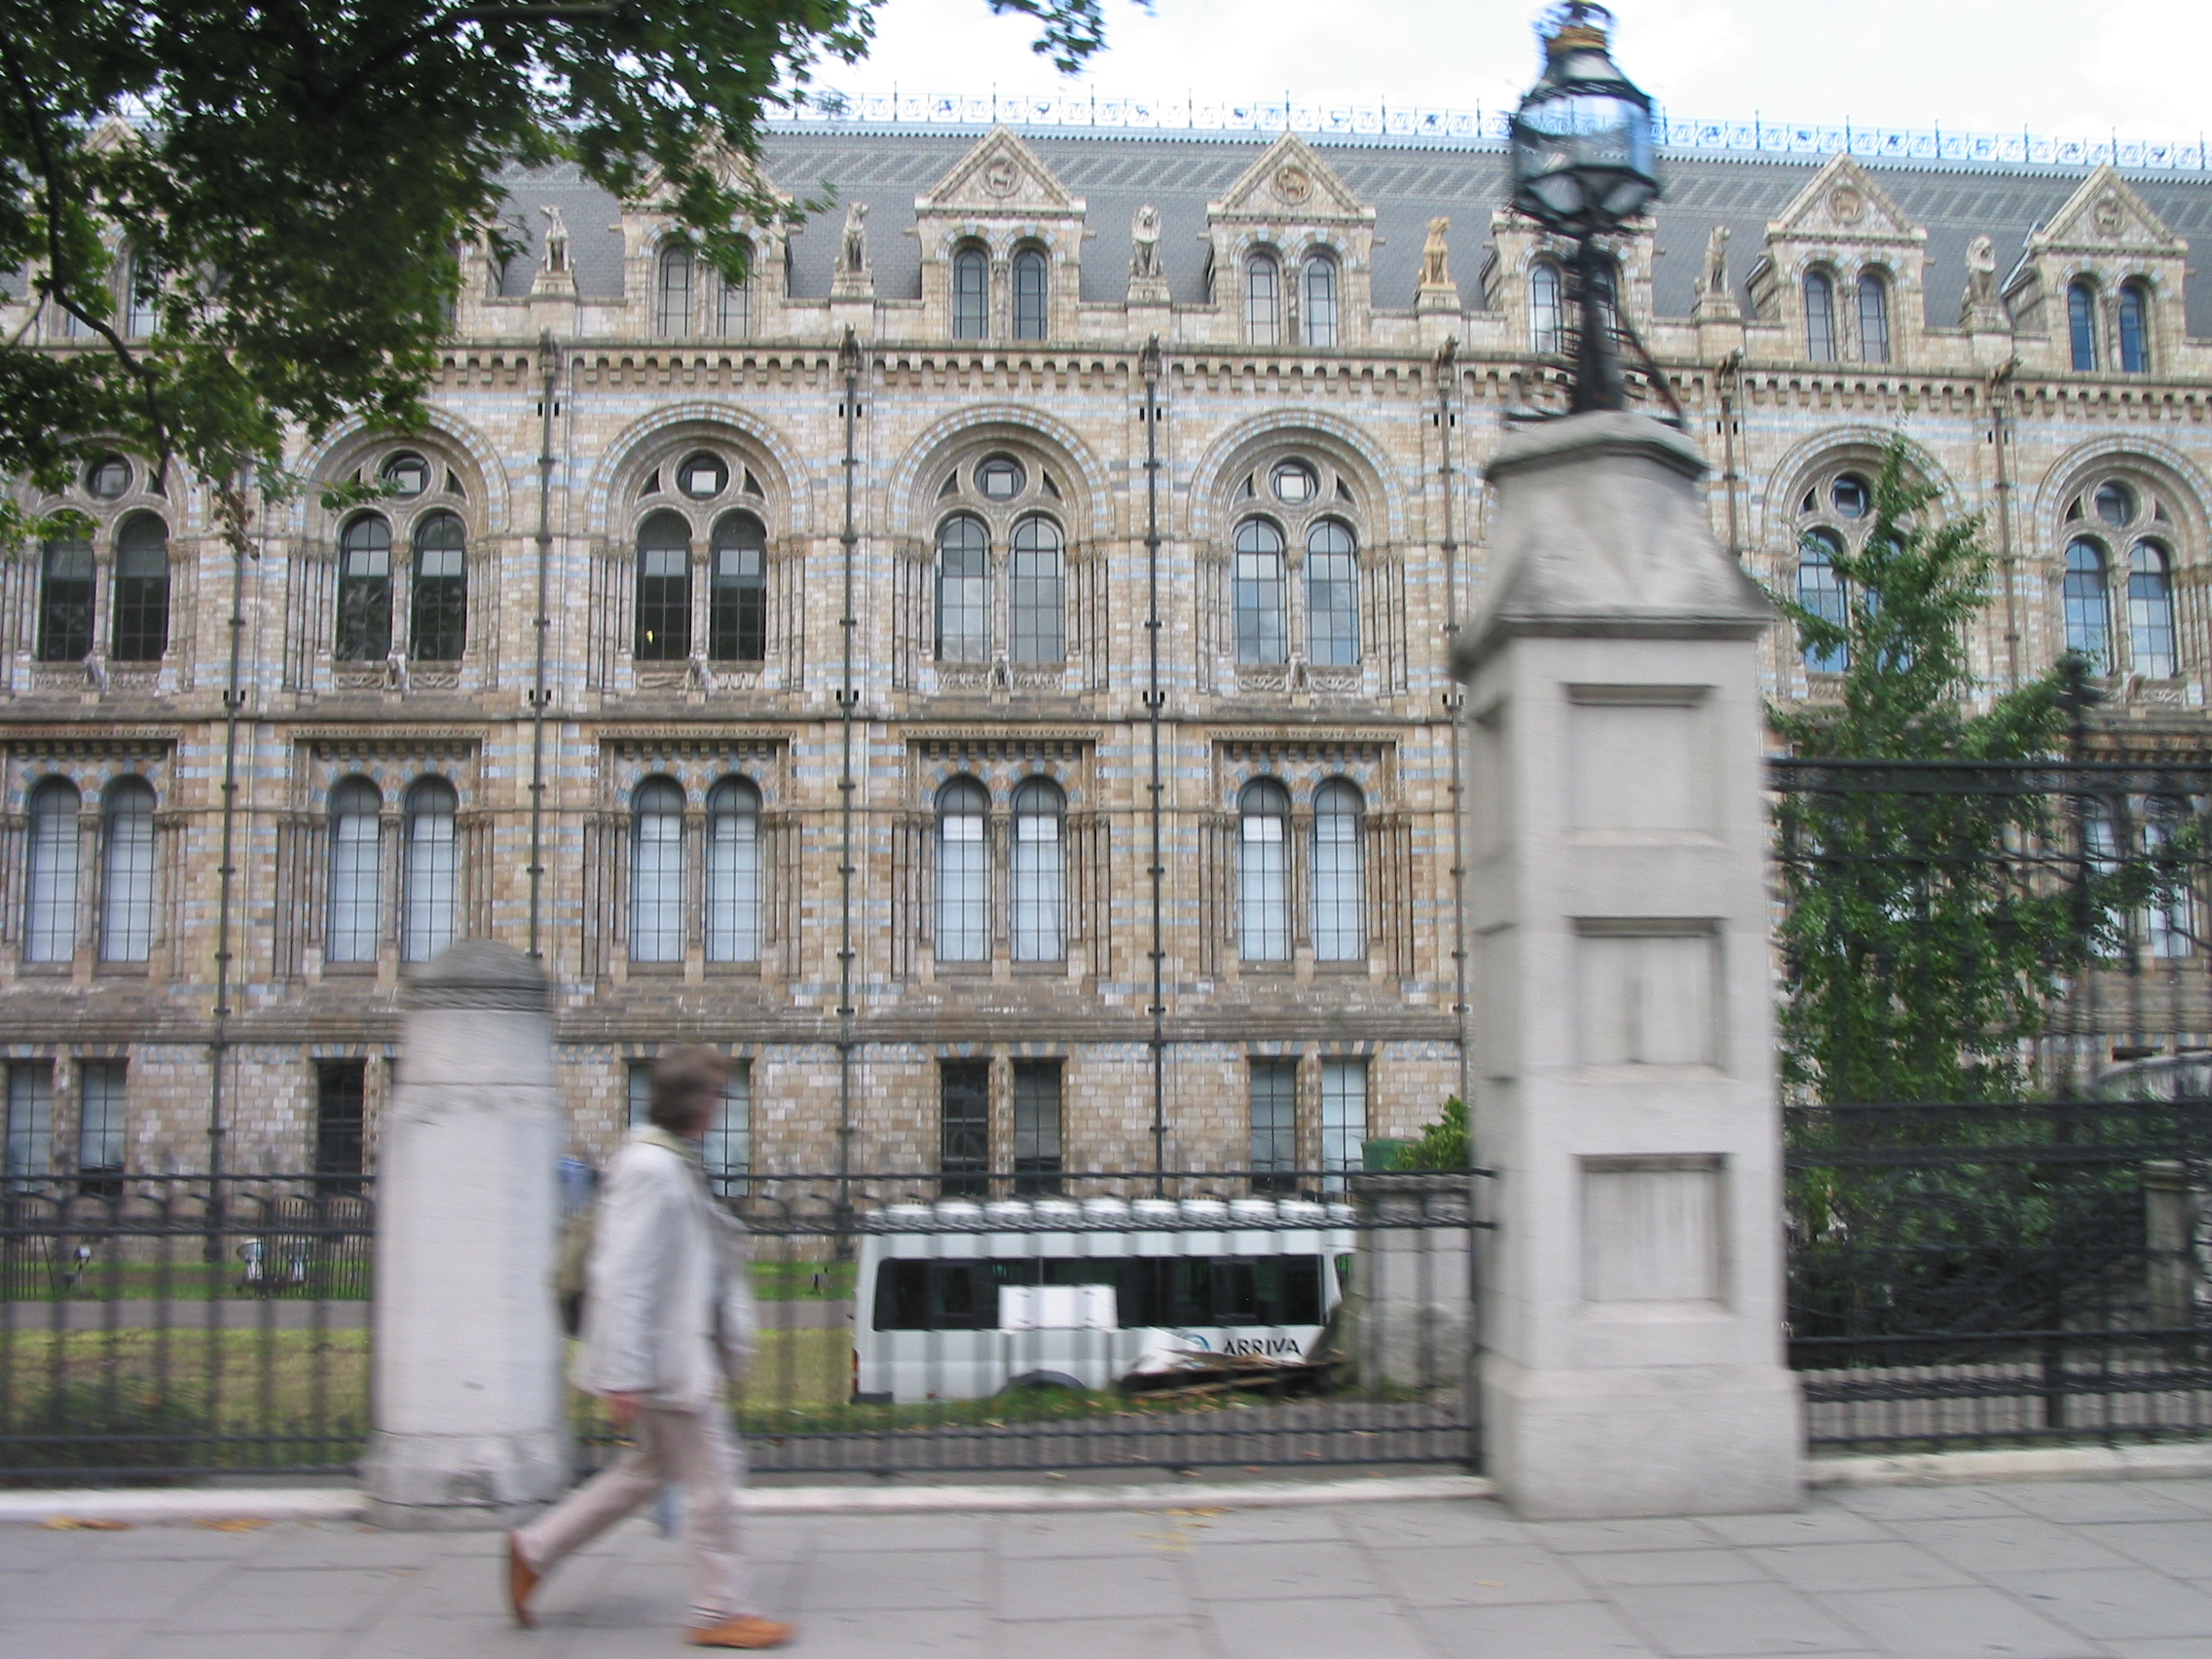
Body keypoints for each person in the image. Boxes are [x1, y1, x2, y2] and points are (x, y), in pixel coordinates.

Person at [506, 1047, 792, 1649]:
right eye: (719, 1093)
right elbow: (622, 1276)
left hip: (673, 1354)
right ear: (698, 1101)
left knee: (643, 1474)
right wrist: (625, 1375)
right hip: (667, 1362)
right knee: (714, 1477)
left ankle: (535, 1550)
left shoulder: (669, 1163)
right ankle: (719, 1611)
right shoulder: (651, 1170)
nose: (723, 1106)